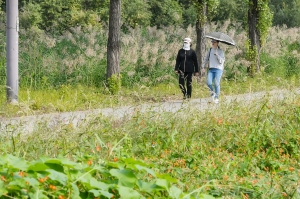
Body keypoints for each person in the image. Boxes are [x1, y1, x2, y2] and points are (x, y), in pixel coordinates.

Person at [201, 39, 225, 104]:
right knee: (209, 83)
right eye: (212, 42)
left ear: (217, 43)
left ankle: (217, 98)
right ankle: (213, 94)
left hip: (218, 69)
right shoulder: (210, 50)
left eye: (214, 42)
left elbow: (221, 62)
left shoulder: (221, 51)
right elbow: (206, 58)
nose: (213, 43)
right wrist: (203, 67)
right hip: (211, 69)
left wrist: (217, 55)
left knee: (216, 84)